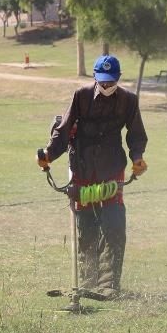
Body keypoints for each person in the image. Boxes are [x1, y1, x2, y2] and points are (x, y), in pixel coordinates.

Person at [37, 54, 148, 297]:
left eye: (111, 81)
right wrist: (49, 154)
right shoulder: (81, 95)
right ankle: (87, 280)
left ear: (118, 78)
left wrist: (137, 157)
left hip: (112, 167)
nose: (107, 86)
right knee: (87, 226)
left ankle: (109, 285)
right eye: (102, 81)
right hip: (83, 166)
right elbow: (64, 130)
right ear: (95, 78)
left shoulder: (129, 100)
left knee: (114, 225)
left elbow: (136, 134)